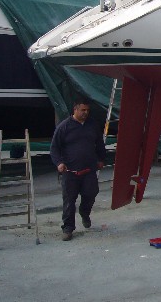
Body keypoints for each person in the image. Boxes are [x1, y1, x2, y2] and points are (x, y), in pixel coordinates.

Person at [50, 97, 106, 241]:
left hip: (89, 170)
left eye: (87, 110)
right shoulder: (64, 127)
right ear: (75, 109)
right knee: (69, 200)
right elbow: (54, 148)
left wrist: (101, 159)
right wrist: (59, 163)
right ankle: (68, 228)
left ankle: (84, 213)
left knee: (91, 193)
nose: (85, 113)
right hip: (70, 172)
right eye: (83, 110)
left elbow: (100, 144)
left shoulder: (93, 125)